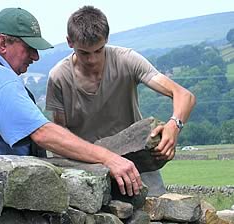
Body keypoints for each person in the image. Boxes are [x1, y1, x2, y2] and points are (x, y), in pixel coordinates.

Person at [0, 7, 142, 197]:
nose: (35, 56)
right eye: (29, 48)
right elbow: (43, 133)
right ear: (2, 43)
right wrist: (109, 158)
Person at [46, 6, 196, 196]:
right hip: (89, 166)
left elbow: (184, 95)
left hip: (137, 162)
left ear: (107, 39)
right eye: (84, 53)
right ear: (69, 42)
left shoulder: (127, 60)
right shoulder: (59, 77)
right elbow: (60, 132)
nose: (92, 59)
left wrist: (174, 126)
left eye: (99, 50)